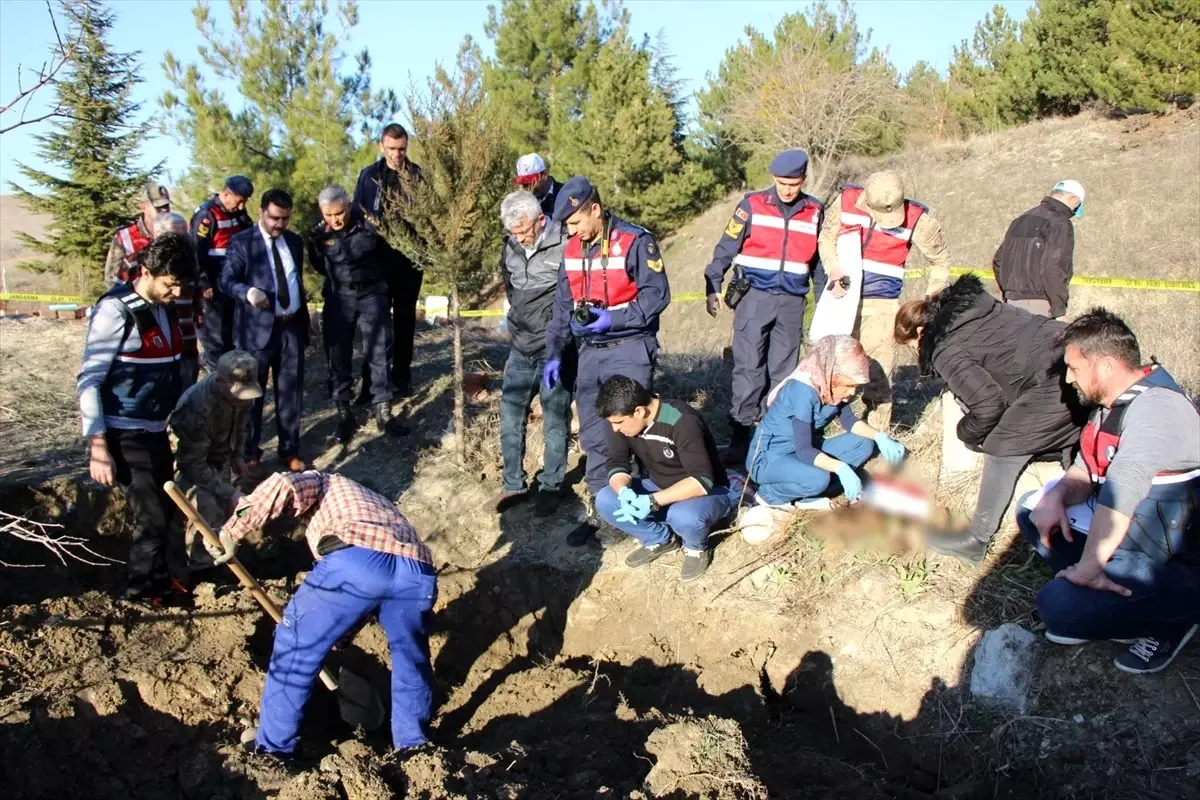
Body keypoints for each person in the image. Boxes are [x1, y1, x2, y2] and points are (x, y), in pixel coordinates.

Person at [208, 470, 438, 757]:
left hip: (357, 560)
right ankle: (413, 746)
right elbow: (375, 589)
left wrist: (232, 530)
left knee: (295, 642)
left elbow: (282, 484)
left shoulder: (324, 481)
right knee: (409, 655)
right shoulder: (376, 503)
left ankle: (273, 749)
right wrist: (340, 636)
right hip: (417, 575)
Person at [1019, 310, 1199, 675]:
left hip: (1168, 558)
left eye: (1074, 368)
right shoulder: (1111, 406)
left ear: (1105, 366)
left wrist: (1088, 567)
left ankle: (1172, 619)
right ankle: (1109, 595)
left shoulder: (1156, 408)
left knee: (1057, 608)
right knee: (1032, 512)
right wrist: (1057, 496)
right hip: (1133, 535)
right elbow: (1087, 468)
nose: (1069, 379)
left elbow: (1123, 487)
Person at [892, 275, 1085, 562]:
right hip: (1075, 353)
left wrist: (968, 435)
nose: (914, 353)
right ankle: (1086, 530)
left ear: (921, 331)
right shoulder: (979, 308)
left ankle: (977, 540)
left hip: (1054, 378)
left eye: (910, 345)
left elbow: (988, 404)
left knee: (1003, 445)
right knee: (1073, 442)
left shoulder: (944, 348)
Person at [544, 176, 671, 546]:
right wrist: (553, 354)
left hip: (630, 347)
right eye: (568, 226)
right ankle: (605, 509)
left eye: (576, 223)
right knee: (594, 435)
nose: (573, 232)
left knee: (628, 430)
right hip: (590, 355)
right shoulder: (571, 250)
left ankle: (636, 508)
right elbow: (561, 309)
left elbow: (656, 296)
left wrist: (612, 319)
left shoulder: (635, 241)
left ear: (595, 210)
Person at [77, 233, 197, 603]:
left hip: (156, 430)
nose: (176, 292)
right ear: (147, 271)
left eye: (181, 285)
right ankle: (140, 592)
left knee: (167, 511)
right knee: (151, 519)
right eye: (170, 284)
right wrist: (98, 445)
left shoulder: (165, 307)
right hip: (124, 433)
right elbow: (89, 379)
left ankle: (163, 580)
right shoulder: (115, 310)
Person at [703, 149, 823, 464]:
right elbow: (725, 247)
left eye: (793, 183)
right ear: (773, 179)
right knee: (748, 369)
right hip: (753, 298)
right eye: (782, 182)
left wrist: (824, 303)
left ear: (803, 180)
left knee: (783, 373)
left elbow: (820, 266)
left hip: (792, 303)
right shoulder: (752, 206)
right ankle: (741, 439)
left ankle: (772, 439)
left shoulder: (814, 212)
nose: (787, 189)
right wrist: (712, 282)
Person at [817, 170, 950, 428]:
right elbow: (826, 238)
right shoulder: (845, 200)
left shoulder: (918, 219)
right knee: (830, 364)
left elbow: (940, 259)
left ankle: (878, 430)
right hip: (840, 299)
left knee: (878, 373)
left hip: (881, 304)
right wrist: (833, 268)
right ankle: (822, 425)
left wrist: (930, 304)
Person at [593, 376, 738, 581]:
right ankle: (660, 539)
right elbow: (617, 462)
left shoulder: (683, 420)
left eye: (618, 423)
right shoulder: (621, 418)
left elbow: (701, 481)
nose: (615, 429)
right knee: (606, 499)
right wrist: (623, 491)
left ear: (639, 411)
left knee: (683, 515)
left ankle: (695, 547)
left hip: (706, 493)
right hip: (659, 486)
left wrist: (652, 501)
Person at [747, 335, 905, 507]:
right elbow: (804, 449)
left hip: (806, 448)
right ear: (834, 374)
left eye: (856, 387)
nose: (853, 392)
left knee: (863, 443)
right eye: (850, 385)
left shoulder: (832, 388)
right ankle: (770, 495)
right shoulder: (803, 391)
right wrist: (841, 468)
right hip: (771, 457)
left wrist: (880, 436)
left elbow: (850, 422)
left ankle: (809, 491)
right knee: (818, 477)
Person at [492, 190, 572, 516]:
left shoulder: (566, 245)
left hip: (554, 350)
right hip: (519, 349)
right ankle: (513, 485)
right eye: (514, 233)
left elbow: (573, 295)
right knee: (510, 419)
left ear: (541, 220)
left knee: (555, 420)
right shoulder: (509, 247)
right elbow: (511, 288)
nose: (520, 238)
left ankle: (552, 486)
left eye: (524, 231)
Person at [220, 189, 309, 474]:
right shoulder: (243, 242)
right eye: (274, 218)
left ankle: (290, 450)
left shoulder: (294, 242)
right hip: (256, 332)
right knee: (252, 395)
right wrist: (248, 292)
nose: (279, 225)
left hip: (291, 327)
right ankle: (249, 454)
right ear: (261, 213)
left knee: (290, 391)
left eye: (285, 219)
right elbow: (226, 280)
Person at [309, 185, 406, 442]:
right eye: (328, 215)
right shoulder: (318, 234)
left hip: (372, 294)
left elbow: (390, 257)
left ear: (348, 205)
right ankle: (344, 414)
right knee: (338, 355)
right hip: (338, 299)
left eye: (339, 213)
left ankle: (383, 411)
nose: (335, 220)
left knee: (379, 352)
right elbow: (319, 264)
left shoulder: (369, 224)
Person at [168, 349, 261, 569]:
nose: (243, 400)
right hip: (190, 464)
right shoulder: (197, 407)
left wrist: (238, 454)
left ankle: (219, 560)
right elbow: (193, 464)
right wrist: (231, 493)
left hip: (220, 456)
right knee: (206, 511)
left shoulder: (241, 395)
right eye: (239, 394)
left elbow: (240, 426)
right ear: (221, 381)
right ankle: (200, 570)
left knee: (225, 511)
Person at [353, 122, 425, 398]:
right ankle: (370, 380)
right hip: (376, 261)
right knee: (374, 322)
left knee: (405, 320)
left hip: (407, 262)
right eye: (392, 148)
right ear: (382, 146)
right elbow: (357, 215)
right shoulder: (368, 176)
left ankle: (402, 377)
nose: (397, 154)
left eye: (402, 148)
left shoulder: (417, 176)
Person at [992, 179, 1085, 318]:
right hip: (1042, 304)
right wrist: (1058, 310)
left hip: (1011, 304)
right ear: (1072, 198)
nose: (1075, 210)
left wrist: (1009, 291)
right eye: (1077, 205)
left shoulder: (1020, 220)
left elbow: (999, 261)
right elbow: (1053, 267)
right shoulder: (1060, 222)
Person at [192, 176, 255, 375]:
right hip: (213, 279)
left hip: (233, 278)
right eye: (239, 200)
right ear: (226, 193)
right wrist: (204, 282)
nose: (242, 205)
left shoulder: (238, 212)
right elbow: (196, 251)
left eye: (245, 201)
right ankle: (216, 378)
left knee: (232, 331)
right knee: (215, 336)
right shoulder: (207, 213)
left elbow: (249, 234)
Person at [153, 213, 201, 391]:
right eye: (176, 237)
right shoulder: (143, 264)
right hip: (156, 351)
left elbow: (196, 293)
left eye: (185, 236)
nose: (182, 242)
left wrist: (199, 310)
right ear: (158, 235)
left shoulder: (190, 263)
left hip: (187, 346)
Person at [103, 182, 171, 285]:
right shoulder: (125, 237)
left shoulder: (175, 233)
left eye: (166, 206)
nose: (164, 210)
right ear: (143, 206)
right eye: (158, 207)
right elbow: (112, 280)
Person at [514, 152, 563, 217]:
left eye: (532, 182)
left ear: (545, 175)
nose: (528, 187)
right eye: (524, 184)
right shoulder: (522, 203)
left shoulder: (564, 193)